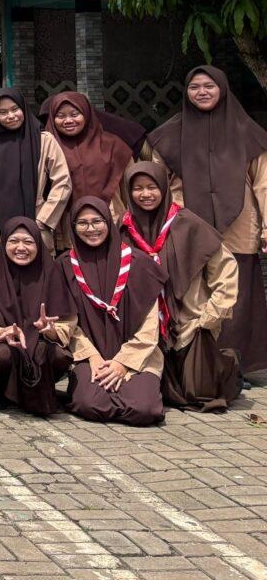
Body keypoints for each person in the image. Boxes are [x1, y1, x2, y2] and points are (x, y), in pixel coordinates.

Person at [147, 65, 267, 378]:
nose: (202, 92)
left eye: (209, 86)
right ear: (185, 92)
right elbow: (154, 183)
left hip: (240, 224)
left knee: (238, 294)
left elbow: (263, 182)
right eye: (195, 86)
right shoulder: (168, 134)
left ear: (223, 89)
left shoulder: (247, 131)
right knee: (190, 292)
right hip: (187, 226)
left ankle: (235, 364)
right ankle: (193, 360)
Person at [118, 162, 240, 411]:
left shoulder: (188, 224)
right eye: (138, 188)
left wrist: (211, 314)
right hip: (143, 326)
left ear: (164, 187)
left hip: (189, 323)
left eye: (152, 187)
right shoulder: (123, 228)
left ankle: (226, 362)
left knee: (197, 393)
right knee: (149, 390)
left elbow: (226, 269)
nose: (145, 194)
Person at [59, 197, 166, 426]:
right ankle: (105, 394)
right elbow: (68, 321)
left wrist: (122, 363)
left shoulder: (139, 264)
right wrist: (92, 356)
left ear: (108, 221)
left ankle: (125, 392)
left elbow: (150, 324)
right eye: (82, 223)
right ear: (73, 227)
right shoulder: (65, 266)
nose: (91, 229)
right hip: (90, 357)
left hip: (137, 357)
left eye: (97, 221)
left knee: (144, 409)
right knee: (89, 404)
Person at [0, 217, 75, 416]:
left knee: (56, 354)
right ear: (4, 243)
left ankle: (43, 389)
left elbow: (67, 321)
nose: (21, 247)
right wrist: (1, 332)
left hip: (41, 343)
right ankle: (2, 390)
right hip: (8, 344)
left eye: (28, 242)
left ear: (39, 245)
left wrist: (50, 331)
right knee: (1, 355)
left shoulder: (52, 273)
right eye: (14, 241)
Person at [0, 88, 71, 256]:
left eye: (14, 109)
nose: (10, 116)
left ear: (24, 109)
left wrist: (44, 219)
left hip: (36, 223)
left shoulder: (43, 140)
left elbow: (63, 181)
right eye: (3, 112)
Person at [45, 90, 134, 252]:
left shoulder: (113, 145)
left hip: (111, 219)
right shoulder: (46, 147)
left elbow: (130, 186)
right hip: (65, 227)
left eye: (74, 114)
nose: (68, 120)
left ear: (87, 113)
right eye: (61, 116)